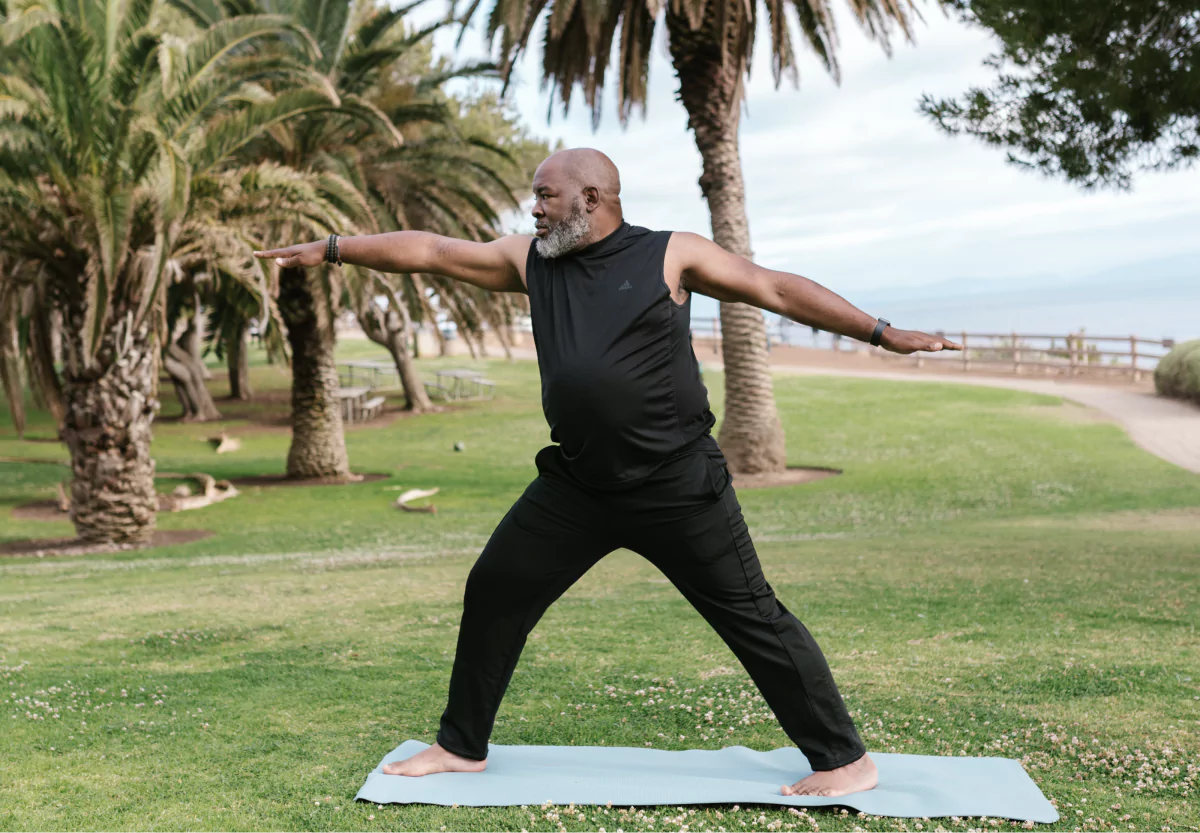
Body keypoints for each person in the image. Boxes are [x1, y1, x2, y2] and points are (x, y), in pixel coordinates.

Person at [254, 148, 962, 798]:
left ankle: (844, 759)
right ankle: (461, 745)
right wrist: (334, 248)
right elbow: (435, 251)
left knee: (752, 614)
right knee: (496, 586)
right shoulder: (532, 261)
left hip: (677, 484)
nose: (532, 208)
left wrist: (879, 330)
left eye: (544, 195)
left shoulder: (669, 253)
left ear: (590, 198)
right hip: (578, 486)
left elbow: (772, 287)